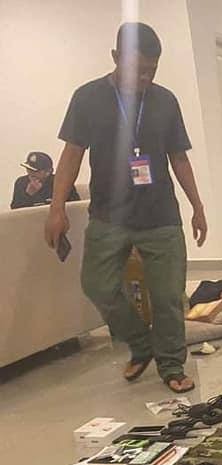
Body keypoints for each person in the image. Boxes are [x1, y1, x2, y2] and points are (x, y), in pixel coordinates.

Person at [44, 22, 207, 394]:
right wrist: (57, 208)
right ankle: (140, 342)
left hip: (160, 216)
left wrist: (197, 206)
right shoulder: (87, 98)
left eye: (152, 70)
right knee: (97, 285)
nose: (145, 78)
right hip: (108, 215)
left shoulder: (165, 101)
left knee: (167, 296)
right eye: (138, 70)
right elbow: (71, 156)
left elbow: (179, 158)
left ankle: (171, 364)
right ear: (116, 57)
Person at [11, 151, 79, 209]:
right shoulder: (21, 183)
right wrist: (28, 195)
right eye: (28, 169)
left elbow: (76, 207)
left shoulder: (62, 182)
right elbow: (15, 210)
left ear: (48, 172)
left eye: (35, 171)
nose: (30, 173)